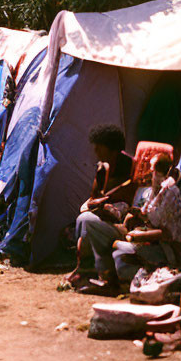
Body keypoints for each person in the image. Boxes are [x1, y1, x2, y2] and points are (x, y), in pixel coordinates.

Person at [67, 124, 135, 291]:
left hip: (121, 222)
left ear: (113, 150)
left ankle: (96, 271)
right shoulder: (102, 168)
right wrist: (93, 205)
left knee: (86, 220)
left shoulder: (130, 170)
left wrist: (104, 206)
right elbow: (94, 197)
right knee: (84, 218)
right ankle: (86, 269)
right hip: (104, 216)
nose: (95, 150)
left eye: (100, 147)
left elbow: (127, 200)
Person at [112, 153, 181, 284]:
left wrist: (138, 236)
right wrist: (133, 213)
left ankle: (153, 271)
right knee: (117, 251)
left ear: (160, 172)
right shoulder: (156, 191)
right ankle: (144, 270)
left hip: (170, 249)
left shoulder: (170, 192)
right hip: (157, 242)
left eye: (152, 170)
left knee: (119, 252)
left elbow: (166, 234)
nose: (150, 173)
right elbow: (147, 213)